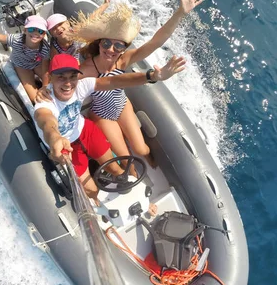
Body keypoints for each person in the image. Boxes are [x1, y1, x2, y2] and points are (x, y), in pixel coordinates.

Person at [64, 0, 205, 166]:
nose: (111, 50)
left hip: (122, 106)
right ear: (99, 44)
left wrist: (179, 13)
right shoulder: (85, 69)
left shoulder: (123, 61)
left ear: (124, 48)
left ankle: (151, 163)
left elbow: (155, 42)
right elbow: (65, 80)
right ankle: (129, 170)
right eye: (106, 43)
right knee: (125, 160)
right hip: (101, 115)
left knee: (141, 150)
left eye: (118, 46)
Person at [34, 53, 185, 204]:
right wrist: (55, 138)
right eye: (61, 77)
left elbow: (114, 81)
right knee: (91, 190)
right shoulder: (44, 102)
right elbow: (47, 122)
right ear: (50, 77)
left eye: (72, 76)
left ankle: (135, 198)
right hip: (65, 145)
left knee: (115, 169)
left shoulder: (81, 85)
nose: (68, 83)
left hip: (84, 130)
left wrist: (152, 76)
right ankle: (98, 206)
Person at [47, 0, 111, 60]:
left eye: (60, 24)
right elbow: (57, 63)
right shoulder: (55, 49)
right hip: (69, 60)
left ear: (67, 24)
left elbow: (91, 19)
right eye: (54, 28)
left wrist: (105, 4)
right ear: (52, 34)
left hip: (79, 53)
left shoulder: (75, 31)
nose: (58, 28)